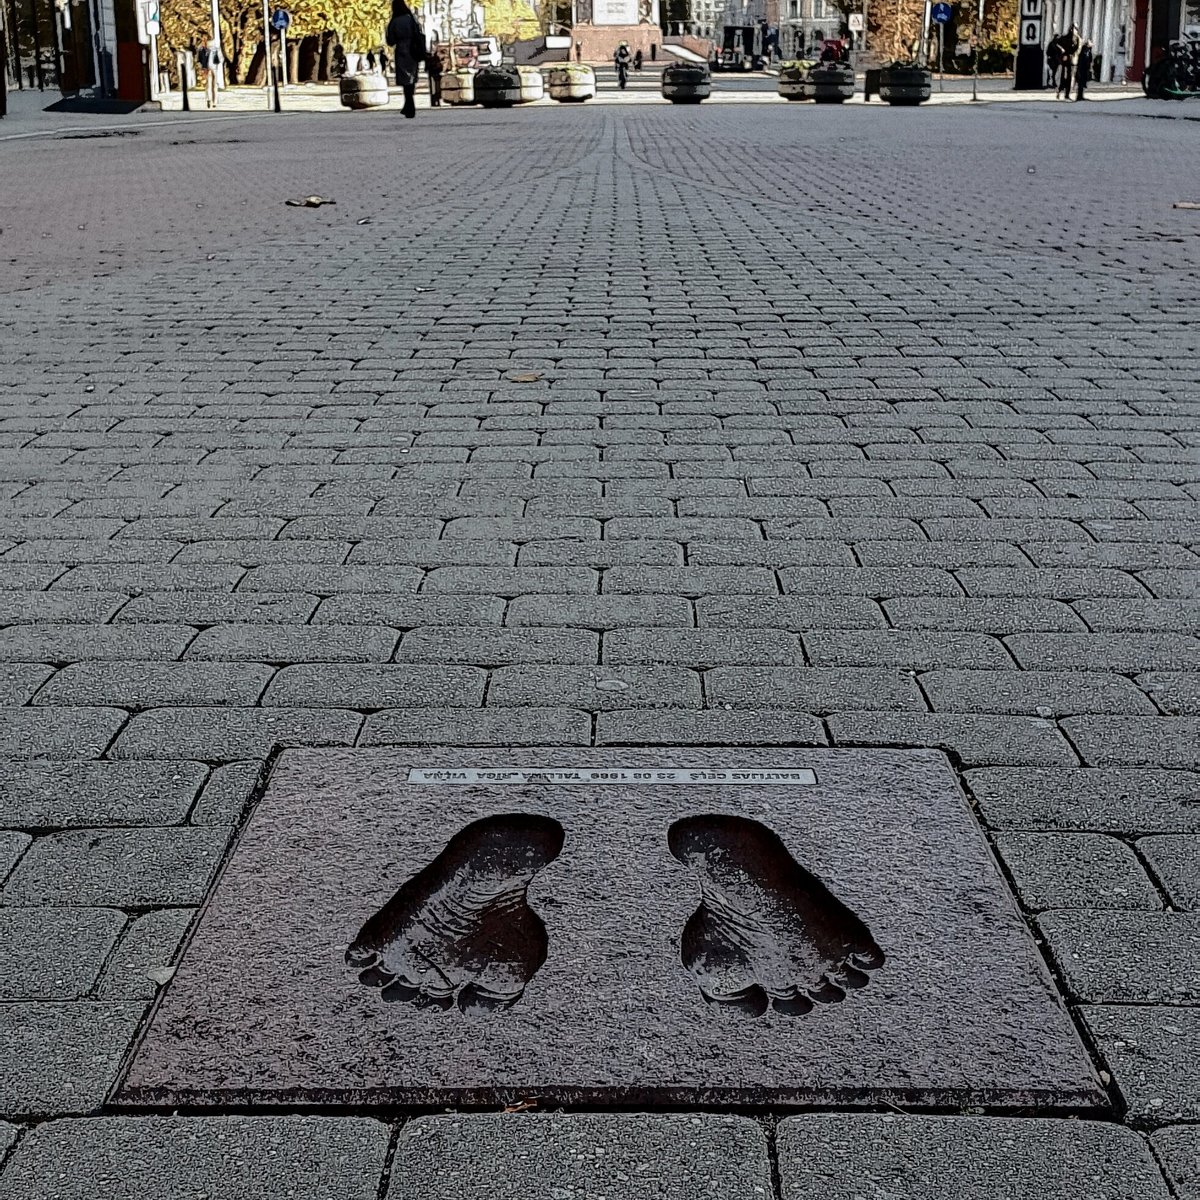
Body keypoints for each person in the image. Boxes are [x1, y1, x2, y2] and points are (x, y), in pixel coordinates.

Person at [386, 0, 426, 118]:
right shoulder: (410, 18)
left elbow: (390, 40)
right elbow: (417, 33)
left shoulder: (394, 21)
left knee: (405, 79)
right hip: (413, 51)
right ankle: (409, 105)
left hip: (401, 51)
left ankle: (409, 105)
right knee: (411, 78)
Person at [1058, 23, 1081, 98]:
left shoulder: (1077, 38)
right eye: (1074, 29)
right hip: (1066, 60)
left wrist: (1074, 54)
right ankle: (1061, 90)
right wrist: (1063, 52)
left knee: (1071, 76)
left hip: (1073, 60)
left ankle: (1067, 93)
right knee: (1064, 76)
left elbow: (1078, 49)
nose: (1075, 31)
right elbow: (1058, 44)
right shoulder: (1065, 37)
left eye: (1076, 29)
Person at [198, 36, 221, 108]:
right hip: (214, 68)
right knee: (214, 85)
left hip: (206, 67)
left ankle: (208, 98)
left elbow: (200, 60)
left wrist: (203, 67)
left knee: (208, 84)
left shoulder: (204, 49)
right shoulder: (216, 49)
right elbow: (220, 59)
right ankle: (214, 101)